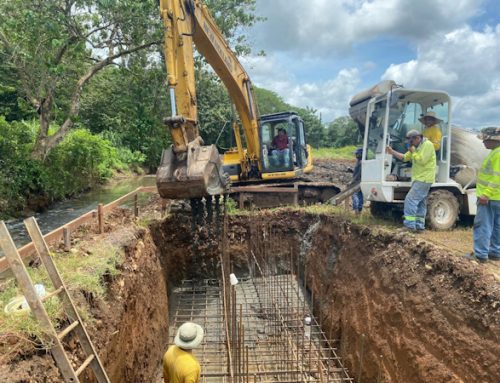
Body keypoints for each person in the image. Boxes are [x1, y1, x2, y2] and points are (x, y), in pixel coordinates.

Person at [386, 130, 436, 231]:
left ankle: (409, 225)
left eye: (411, 141)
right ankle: (419, 226)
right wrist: (392, 152)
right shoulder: (416, 147)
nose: (410, 143)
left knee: (410, 199)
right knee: (421, 202)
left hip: (424, 178)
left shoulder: (427, 145)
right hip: (420, 178)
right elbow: (404, 157)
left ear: (418, 138)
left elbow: (422, 160)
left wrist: (413, 151)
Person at [466, 127, 500, 263]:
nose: (483, 142)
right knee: (497, 226)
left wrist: (486, 194)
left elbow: (497, 177)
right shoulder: (495, 153)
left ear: (492, 139)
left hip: (490, 197)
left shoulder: (497, 154)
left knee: (483, 225)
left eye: (485, 139)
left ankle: (480, 255)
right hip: (497, 197)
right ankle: (495, 252)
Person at [351, 148, 363, 214]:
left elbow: (359, 173)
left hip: (357, 181)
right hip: (359, 180)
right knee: (360, 195)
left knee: (354, 194)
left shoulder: (361, 162)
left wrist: (353, 180)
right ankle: (359, 210)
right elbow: (357, 171)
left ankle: (356, 209)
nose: (356, 155)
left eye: (357, 154)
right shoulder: (359, 161)